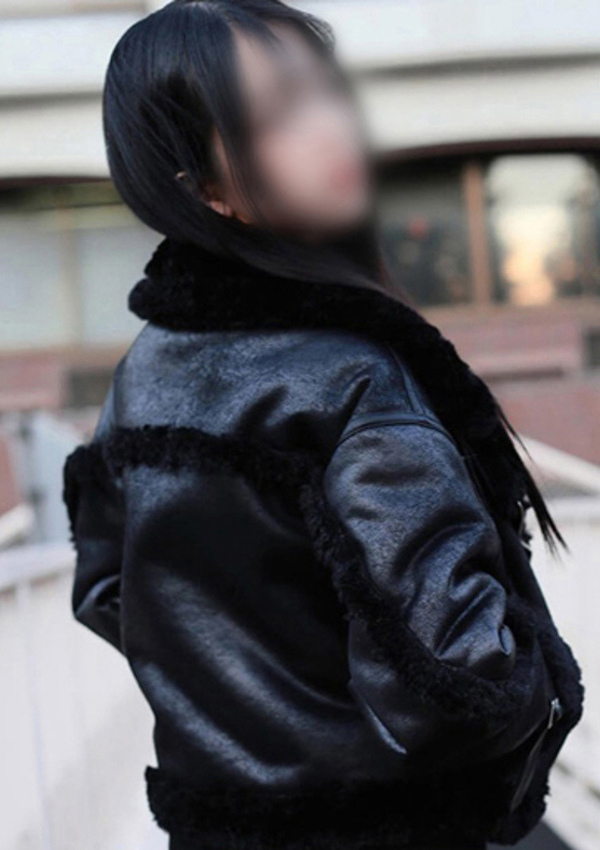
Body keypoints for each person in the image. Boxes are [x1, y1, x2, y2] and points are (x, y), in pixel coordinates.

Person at [62, 2, 584, 849]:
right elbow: (458, 683)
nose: (331, 125)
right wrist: (531, 687)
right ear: (208, 190)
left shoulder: (145, 370)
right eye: (279, 114)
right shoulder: (351, 376)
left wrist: (262, 694)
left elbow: (104, 590)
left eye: (326, 91)